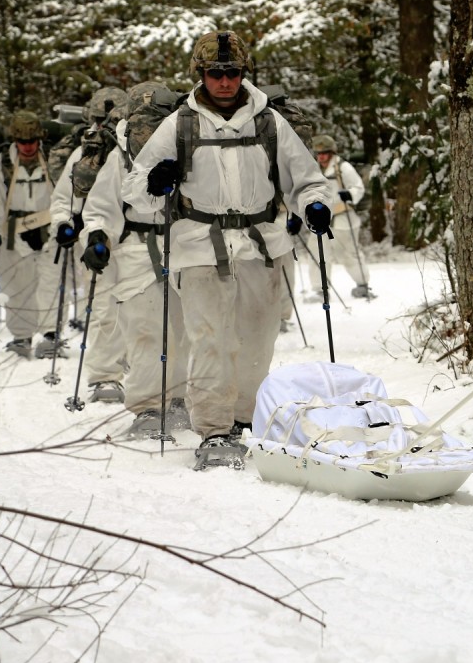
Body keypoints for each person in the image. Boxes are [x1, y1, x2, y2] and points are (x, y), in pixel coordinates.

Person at [121, 30, 333, 469]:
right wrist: (155, 183)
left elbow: (306, 177)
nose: (224, 81)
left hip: (261, 243)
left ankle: (243, 419)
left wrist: (315, 204)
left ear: (243, 73)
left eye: (232, 72)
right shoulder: (180, 124)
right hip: (199, 245)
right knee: (210, 340)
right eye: (215, 73)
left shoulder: (269, 122)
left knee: (259, 338)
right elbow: (135, 188)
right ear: (200, 74)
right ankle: (214, 430)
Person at [81, 81, 191, 438]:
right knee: (146, 331)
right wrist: (97, 236)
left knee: (186, 329)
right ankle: (148, 407)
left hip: (187, 246)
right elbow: (100, 206)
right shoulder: (122, 154)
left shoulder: (190, 143)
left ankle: (180, 399)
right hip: (136, 250)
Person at [50, 86, 129, 400]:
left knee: (143, 309)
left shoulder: (140, 147)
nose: (105, 126)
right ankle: (105, 376)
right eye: (99, 120)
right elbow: (62, 199)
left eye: (112, 119)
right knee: (105, 308)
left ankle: (138, 368)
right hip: (98, 240)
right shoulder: (83, 153)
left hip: (141, 238)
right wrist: (63, 225)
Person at [0, 111, 61, 359]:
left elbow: (63, 196)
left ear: (39, 139)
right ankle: (21, 336)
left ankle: (51, 334)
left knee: (50, 283)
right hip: (13, 232)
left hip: (48, 229)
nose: (28, 147)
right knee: (15, 284)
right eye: (22, 142)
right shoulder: (0, 165)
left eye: (32, 141)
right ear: (15, 140)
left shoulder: (52, 161)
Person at [301, 134, 373, 301]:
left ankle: (362, 284)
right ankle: (320, 290)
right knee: (318, 253)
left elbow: (358, 188)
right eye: (319, 153)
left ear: (332, 152)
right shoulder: (313, 169)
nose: (321, 157)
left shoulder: (343, 167)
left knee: (349, 254)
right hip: (320, 219)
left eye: (325, 153)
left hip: (343, 218)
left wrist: (350, 194)